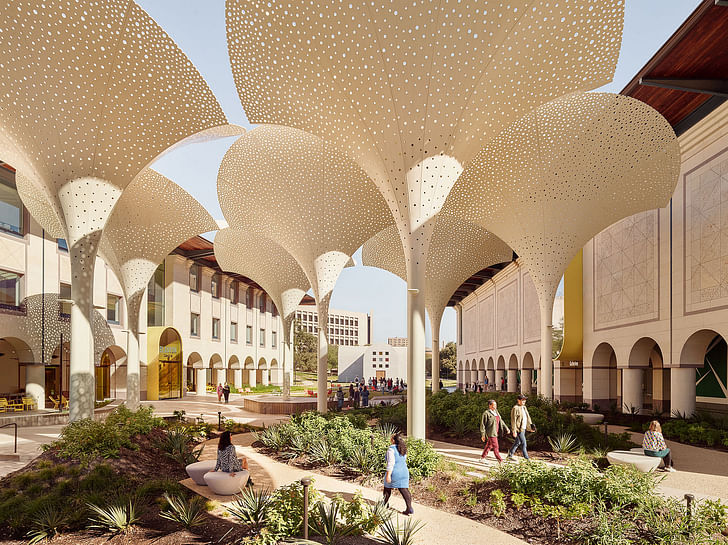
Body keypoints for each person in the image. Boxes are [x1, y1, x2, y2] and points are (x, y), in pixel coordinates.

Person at [383, 433, 414, 515]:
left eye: (391, 438)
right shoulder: (403, 448)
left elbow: (391, 463)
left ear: (393, 440)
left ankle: (384, 504)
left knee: (387, 488)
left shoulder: (391, 449)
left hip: (395, 472)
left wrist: (389, 475)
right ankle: (409, 508)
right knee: (404, 490)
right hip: (404, 471)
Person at [507, 395, 534, 461]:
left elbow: (528, 418)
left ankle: (510, 455)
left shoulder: (524, 407)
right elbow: (513, 420)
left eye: (525, 400)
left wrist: (531, 427)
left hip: (523, 428)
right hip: (519, 429)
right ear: (518, 400)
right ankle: (526, 458)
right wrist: (514, 431)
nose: (524, 401)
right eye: (522, 400)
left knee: (517, 442)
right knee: (524, 443)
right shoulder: (515, 408)